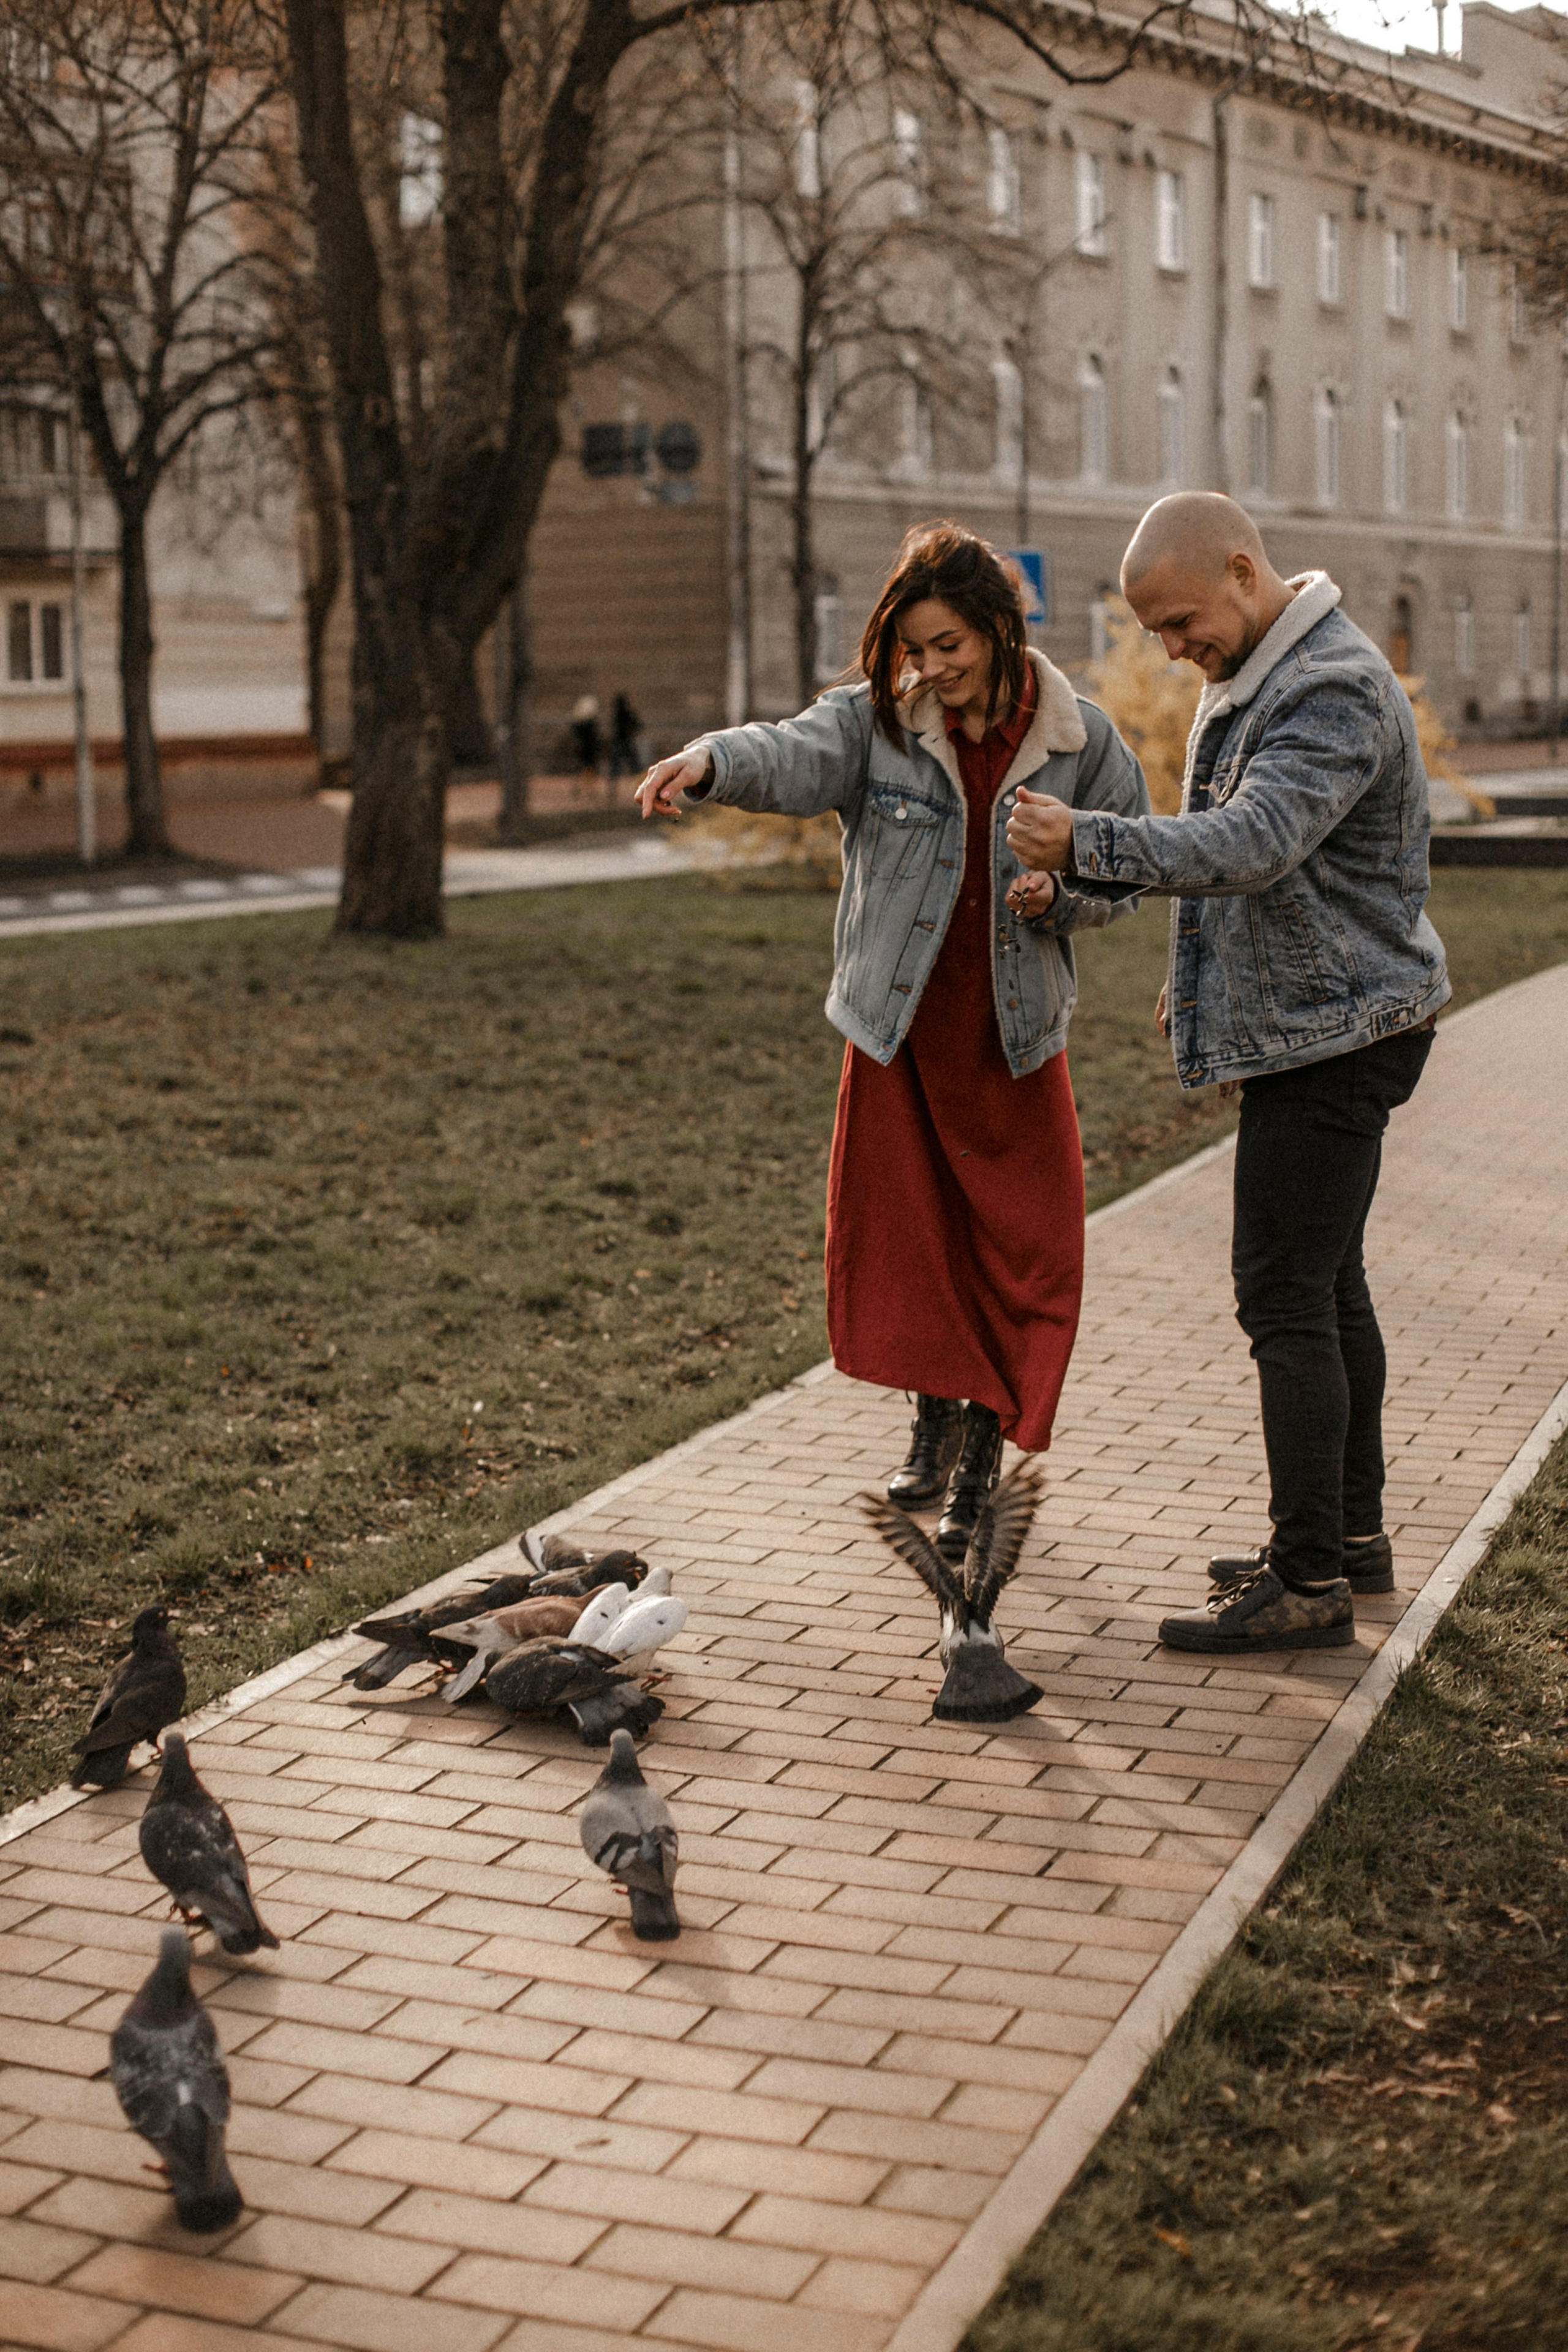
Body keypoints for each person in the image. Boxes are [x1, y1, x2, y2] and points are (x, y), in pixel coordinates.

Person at [638, 521, 1148, 1555]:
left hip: (1011, 1041)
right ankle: (935, 1418)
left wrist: (1061, 898)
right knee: (916, 1246)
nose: (931, 669)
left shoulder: (1081, 741)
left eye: (949, 645)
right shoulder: (882, 725)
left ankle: (979, 1456)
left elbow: (1129, 869)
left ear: (1002, 629)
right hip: (901, 1037)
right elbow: (791, 751)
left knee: (1020, 1256)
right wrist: (706, 761)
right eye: (916, 648)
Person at [1005, 492, 1450, 1655]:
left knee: (1284, 1298)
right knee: (1327, 1287)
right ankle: (1348, 1544)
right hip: (1322, 1017)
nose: (1171, 648)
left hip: (1343, 1033)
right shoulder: (1263, 672)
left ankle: (1308, 1584)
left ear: (1246, 574)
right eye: (1154, 631)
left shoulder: (1332, 688)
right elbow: (1256, 869)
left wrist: (1085, 841)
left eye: (1181, 620)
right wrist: (1192, 973)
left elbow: (1253, 844)